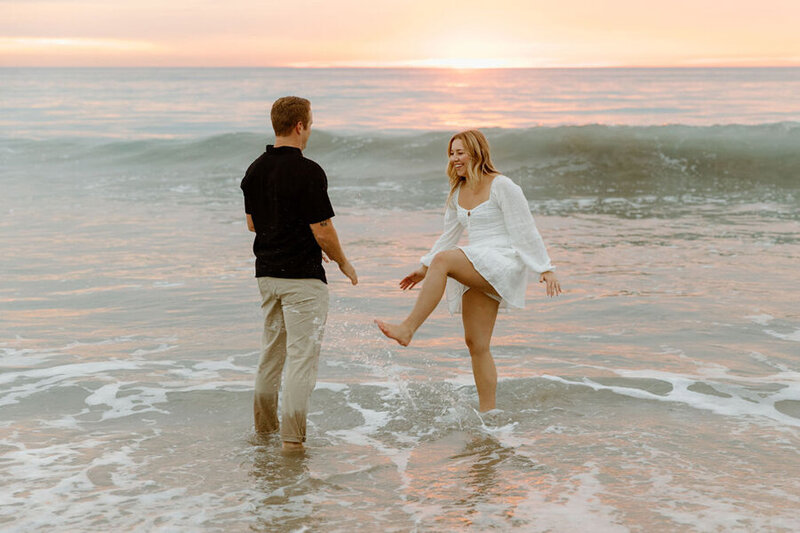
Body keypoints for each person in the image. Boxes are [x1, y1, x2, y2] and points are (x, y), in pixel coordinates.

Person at [375, 129, 561, 412]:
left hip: (503, 260)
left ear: (477, 152)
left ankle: (408, 328)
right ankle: (490, 413)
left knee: (445, 261)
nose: (454, 158)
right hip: (478, 261)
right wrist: (423, 268)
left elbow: (524, 229)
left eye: (460, 152)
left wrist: (544, 268)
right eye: (451, 153)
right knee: (476, 343)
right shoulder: (457, 192)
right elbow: (447, 237)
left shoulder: (502, 186)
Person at [241, 96, 358, 452]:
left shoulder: (255, 169)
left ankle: (264, 433)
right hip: (303, 279)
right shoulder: (308, 170)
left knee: (271, 355)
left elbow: (252, 224)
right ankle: (292, 441)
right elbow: (322, 230)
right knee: (302, 360)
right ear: (299, 126)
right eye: (311, 122)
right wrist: (342, 262)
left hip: (267, 277)